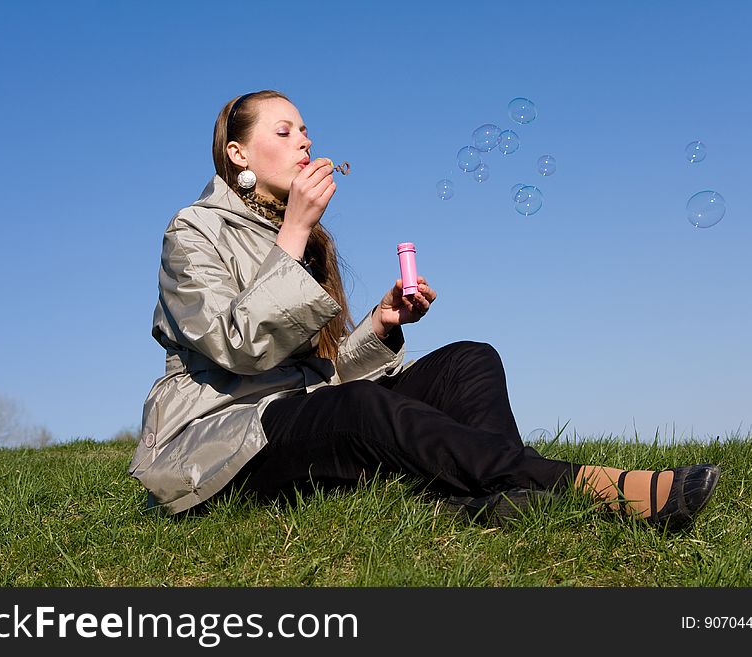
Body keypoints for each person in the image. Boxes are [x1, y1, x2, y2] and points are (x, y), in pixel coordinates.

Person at [128, 89, 721, 531]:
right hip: (230, 439)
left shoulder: (301, 239)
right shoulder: (193, 232)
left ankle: (494, 500)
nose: (306, 141)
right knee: (362, 409)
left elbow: (323, 378)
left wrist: (380, 326)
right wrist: (295, 233)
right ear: (238, 154)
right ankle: (581, 485)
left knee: (470, 360)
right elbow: (237, 348)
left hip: (305, 412)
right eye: (284, 132)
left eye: (306, 129)